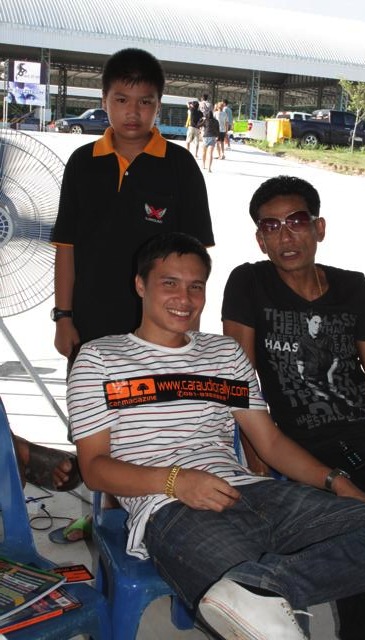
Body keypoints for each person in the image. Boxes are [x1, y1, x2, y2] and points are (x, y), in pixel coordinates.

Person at [66, 231, 365, 640]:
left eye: (196, 286)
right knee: (273, 627)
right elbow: (94, 469)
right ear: (140, 285)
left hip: (257, 493)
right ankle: (261, 596)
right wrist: (175, 481)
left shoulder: (224, 353)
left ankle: (260, 589)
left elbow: (269, 442)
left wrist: (336, 482)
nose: (185, 298)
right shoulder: (100, 358)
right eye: (170, 283)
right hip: (172, 508)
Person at [221, 175, 365, 640]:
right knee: (358, 536)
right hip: (305, 452)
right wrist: (256, 455)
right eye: (271, 226)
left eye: (296, 221)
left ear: (319, 228)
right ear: (260, 239)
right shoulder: (249, 282)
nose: (285, 236)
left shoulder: (352, 287)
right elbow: (240, 381)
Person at [51, 47, 214, 541]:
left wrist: (188, 330)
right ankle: (104, 516)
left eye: (145, 102)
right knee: (96, 428)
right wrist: (63, 316)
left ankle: (151, 518)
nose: (132, 113)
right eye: (121, 100)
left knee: (151, 425)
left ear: (159, 105)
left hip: (158, 329)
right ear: (104, 100)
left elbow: (196, 259)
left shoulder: (179, 166)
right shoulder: (83, 163)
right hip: (91, 325)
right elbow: (66, 246)